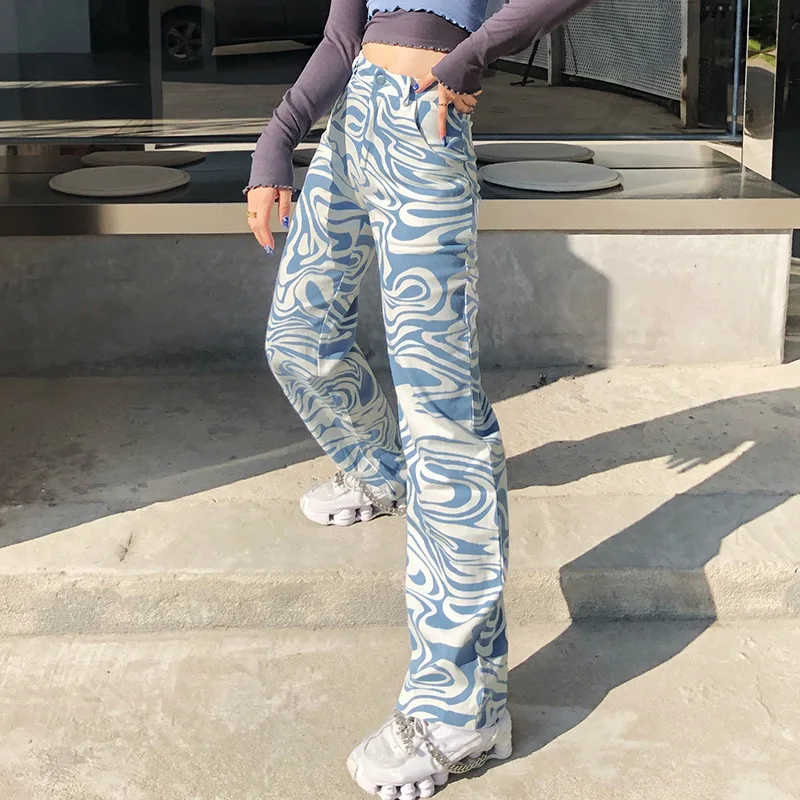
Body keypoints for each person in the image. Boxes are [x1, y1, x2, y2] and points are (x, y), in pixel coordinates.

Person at [245, 1, 594, 796]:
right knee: (297, 335)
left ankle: (462, 709)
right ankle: (380, 470)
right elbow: (344, 34)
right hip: (352, 127)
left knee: (442, 417)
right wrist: (276, 141)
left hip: (425, 129)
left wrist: (471, 56)